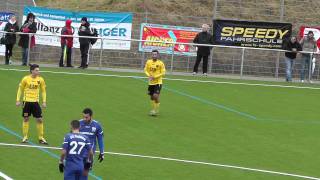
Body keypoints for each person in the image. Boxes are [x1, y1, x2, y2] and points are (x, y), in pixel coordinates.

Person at [16, 64, 48, 144]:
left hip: (35, 102)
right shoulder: (25, 79)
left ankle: (41, 138)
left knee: (40, 120)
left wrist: (44, 101)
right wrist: (18, 100)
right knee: (26, 119)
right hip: (26, 102)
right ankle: (25, 137)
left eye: (38, 70)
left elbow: (43, 91)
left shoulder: (41, 80)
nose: (38, 72)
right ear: (32, 71)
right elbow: (20, 89)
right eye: (37, 70)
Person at [144, 50, 166, 116]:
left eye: (155, 54)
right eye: (153, 54)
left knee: (155, 96)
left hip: (158, 82)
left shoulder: (160, 63)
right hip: (151, 83)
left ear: (158, 55)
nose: (154, 55)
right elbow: (145, 70)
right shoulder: (148, 62)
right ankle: (154, 108)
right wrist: (149, 76)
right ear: (151, 55)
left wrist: (155, 76)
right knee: (152, 97)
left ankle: (155, 110)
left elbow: (163, 72)